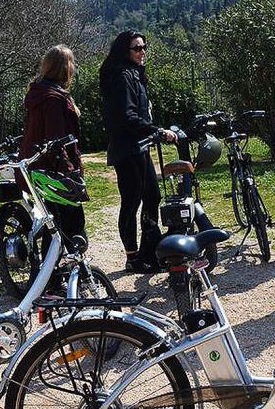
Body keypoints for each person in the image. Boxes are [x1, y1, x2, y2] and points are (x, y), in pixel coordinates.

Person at [99, 31, 177, 274]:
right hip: (128, 149)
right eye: (137, 48)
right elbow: (127, 116)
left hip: (139, 146)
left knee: (152, 196)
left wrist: (152, 131)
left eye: (144, 47)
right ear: (126, 51)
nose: (142, 52)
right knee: (131, 202)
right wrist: (157, 131)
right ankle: (133, 257)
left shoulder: (134, 74)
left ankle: (149, 251)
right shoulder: (123, 76)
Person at [19, 44, 86, 245]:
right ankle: (61, 272)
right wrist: (70, 171)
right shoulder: (54, 99)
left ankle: (51, 272)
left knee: (53, 222)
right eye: (72, 63)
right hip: (53, 169)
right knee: (71, 226)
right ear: (65, 68)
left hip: (35, 165)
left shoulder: (38, 93)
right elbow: (55, 141)